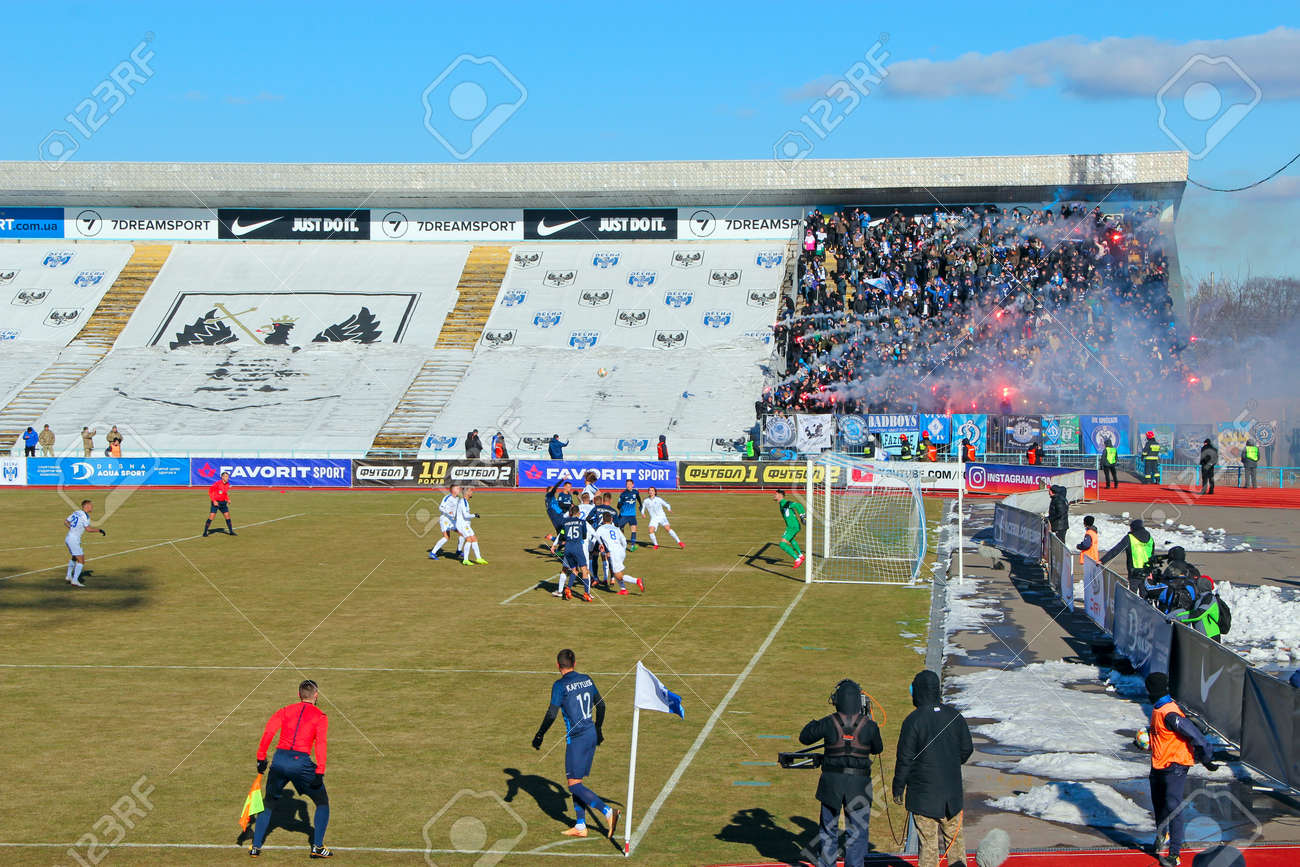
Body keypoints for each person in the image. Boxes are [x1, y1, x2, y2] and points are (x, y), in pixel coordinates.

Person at [532, 649, 620, 839]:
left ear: (558, 665)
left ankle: (607, 812)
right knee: (577, 782)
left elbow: (551, 714)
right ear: (575, 663)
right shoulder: (587, 679)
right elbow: (602, 705)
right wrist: (598, 729)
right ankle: (580, 825)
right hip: (590, 734)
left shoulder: (560, 685)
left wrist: (540, 735)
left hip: (577, 738)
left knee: (573, 785)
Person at [798, 679, 883, 867]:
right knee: (857, 833)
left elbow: (805, 737)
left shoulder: (829, 722)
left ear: (838, 700)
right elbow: (878, 748)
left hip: (831, 785)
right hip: (859, 786)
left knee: (828, 829)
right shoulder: (869, 725)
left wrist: (816, 722)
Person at [892, 669, 973, 867]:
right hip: (951, 795)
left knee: (928, 846)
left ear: (918, 692)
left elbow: (905, 759)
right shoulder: (955, 716)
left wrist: (898, 787)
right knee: (955, 845)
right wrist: (951, 763)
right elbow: (967, 749)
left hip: (923, 795)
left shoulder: (913, 720)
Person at [250, 679, 331, 858]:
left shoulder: (285, 710)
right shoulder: (320, 716)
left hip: (279, 760)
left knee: (269, 802)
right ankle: (317, 846)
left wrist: (261, 758)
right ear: (316, 695)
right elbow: (321, 744)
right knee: (322, 802)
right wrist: (320, 770)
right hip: (301, 763)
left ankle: (255, 847)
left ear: (299, 695)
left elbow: (269, 732)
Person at [1145, 672, 1215, 867]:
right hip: (1159, 763)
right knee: (1159, 804)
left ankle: (1175, 854)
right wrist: (1146, 741)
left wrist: (1206, 757)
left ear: (1152, 690)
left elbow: (1193, 733)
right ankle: (1161, 836)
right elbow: (1161, 736)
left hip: (1175, 766)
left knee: (1173, 807)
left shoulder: (1170, 712)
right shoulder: (1158, 708)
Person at [554, 504, 594, 601]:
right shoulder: (582, 522)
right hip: (577, 547)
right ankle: (586, 593)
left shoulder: (565, 522)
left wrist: (555, 543)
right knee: (584, 570)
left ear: (571, 513)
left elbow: (562, 535)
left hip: (568, 548)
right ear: (579, 513)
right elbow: (584, 536)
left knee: (574, 570)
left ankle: (568, 589)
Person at [64, 498, 106, 588]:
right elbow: (88, 529)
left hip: (69, 538)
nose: (92, 507)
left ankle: (68, 576)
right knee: (81, 561)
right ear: (86, 506)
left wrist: (72, 529)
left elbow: (66, 522)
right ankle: (75, 580)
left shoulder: (76, 512)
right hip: (74, 540)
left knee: (74, 557)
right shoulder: (85, 516)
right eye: (91, 505)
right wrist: (99, 530)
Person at [595, 513, 642, 595]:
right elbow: (623, 540)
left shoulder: (601, 528)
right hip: (620, 550)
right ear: (611, 520)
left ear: (603, 520)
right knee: (615, 570)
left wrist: (600, 546)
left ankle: (637, 581)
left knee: (618, 574)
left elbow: (596, 537)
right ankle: (623, 589)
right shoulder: (616, 528)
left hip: (613, 552)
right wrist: (623, 549)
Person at [773, 489, 806, 568]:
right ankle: (801, 555)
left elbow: (798, 505)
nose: (774, 495)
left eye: (776, 494)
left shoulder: (784, 502)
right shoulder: (782, 503)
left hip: (792, 527)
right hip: (793, 526)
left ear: (780, 495)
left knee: (782, 544)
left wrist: (803, 516)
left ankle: (797, 559)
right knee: (791, 539)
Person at [428, 485, 462, 560]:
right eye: (457, 488)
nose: (459, 489)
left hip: (452, 520)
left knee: (462, 533)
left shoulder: (457, 498)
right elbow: (440, 507)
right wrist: (448, 512)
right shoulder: (447, 498)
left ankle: (459, 551)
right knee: (446, 537)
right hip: (445, 520)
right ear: (453, 490)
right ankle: (432, 553)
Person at [455, 487, 486, 566]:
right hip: (462, 525)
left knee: (474, 539)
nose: (472, 492)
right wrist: (474, 515)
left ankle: (478, 558)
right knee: (469, 540)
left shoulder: (465, 502)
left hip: (465, 525)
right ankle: (465, 560)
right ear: (466, 493)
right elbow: (465, 515)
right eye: (470, 491)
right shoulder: (463, 502)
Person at [204, 470, 236, 536]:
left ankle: (231, 531)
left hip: (223, 503)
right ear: (222, 477)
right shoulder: (217, 484)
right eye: (226, 476)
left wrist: (228, 499)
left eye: (228, 476)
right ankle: (205, 532)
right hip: (216, 503)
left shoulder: (227, 484)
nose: (227, 478)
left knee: (227, 516)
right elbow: (210, 492)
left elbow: (225, 494)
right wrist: (214, 501)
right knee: (211, 517)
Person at [616, 479, 642, 550]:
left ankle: (632, 546)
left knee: (633, 529)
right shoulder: (623, 494)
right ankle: (621, 544)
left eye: (630, 484)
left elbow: (639, 498)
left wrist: (641, 505)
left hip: (632, 515)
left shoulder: (635, 492)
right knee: (620, 529)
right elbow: (618, 505)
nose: (628, 486)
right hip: (624, 515)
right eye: (627, 484)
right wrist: (621, 510)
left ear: (633, 485)